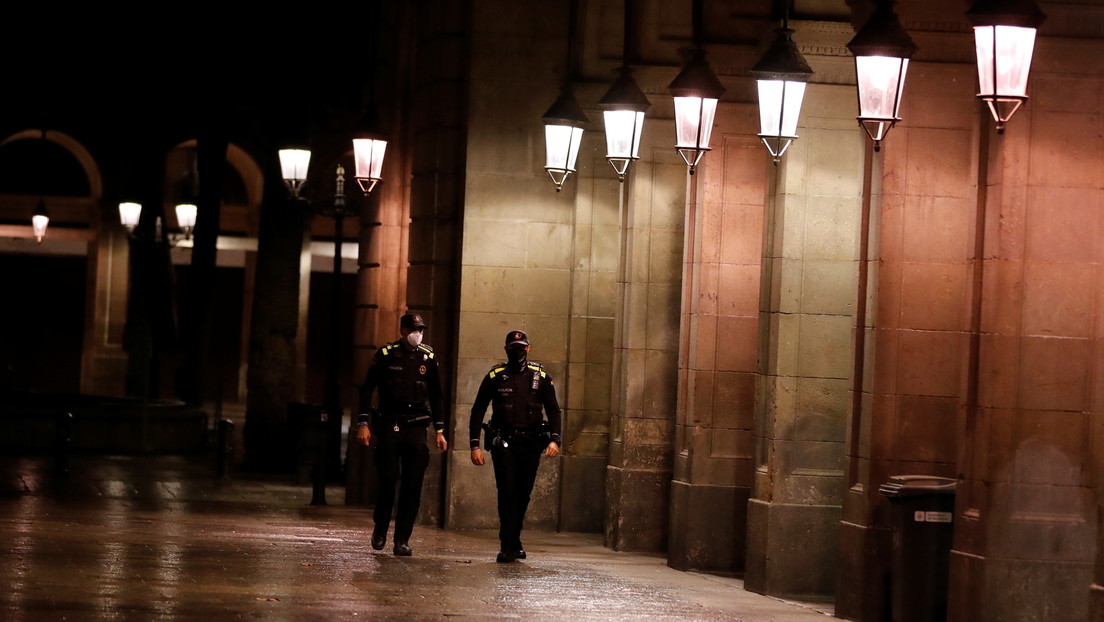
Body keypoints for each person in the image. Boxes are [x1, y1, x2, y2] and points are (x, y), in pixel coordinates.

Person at [357, 312, 448, 556]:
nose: (417, 334)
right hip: (390, 422)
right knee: (388, 479)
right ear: (402, 330)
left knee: (412, 484)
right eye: (413, 329)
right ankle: (381, 527)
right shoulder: (386, 355)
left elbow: (437, 396)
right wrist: (363, 422)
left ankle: (402, 539)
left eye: (420, 330)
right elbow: (367, 389)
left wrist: (440, 430)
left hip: (416, 425)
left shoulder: (427, 357)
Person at [469, 329, 561, 563]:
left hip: (531, 444)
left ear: (528, 348)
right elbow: (478, 409)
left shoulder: (540, 376)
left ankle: (514, 540)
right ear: (506, 350)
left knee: (523, 495)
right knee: (507, 492)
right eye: (513, 348)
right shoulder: (496, 376)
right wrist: (474, 445)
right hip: (504, 443)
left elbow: (553, 409)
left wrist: (555, 438)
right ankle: (506, 544)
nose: (517, 352)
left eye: (521, 348)